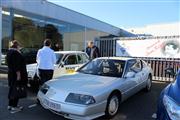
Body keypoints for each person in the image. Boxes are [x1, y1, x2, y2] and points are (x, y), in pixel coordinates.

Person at [6, 40, 28, 113]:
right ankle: (14, 107)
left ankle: (10, 105)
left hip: (11, 74)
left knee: (12, 90)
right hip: (16, 75)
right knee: (16, 90)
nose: (20, 47)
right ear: (17, 46)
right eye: (19, 46)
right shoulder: (16, 53)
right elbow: (17, 65)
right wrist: (18, 75)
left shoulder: (9, 52)